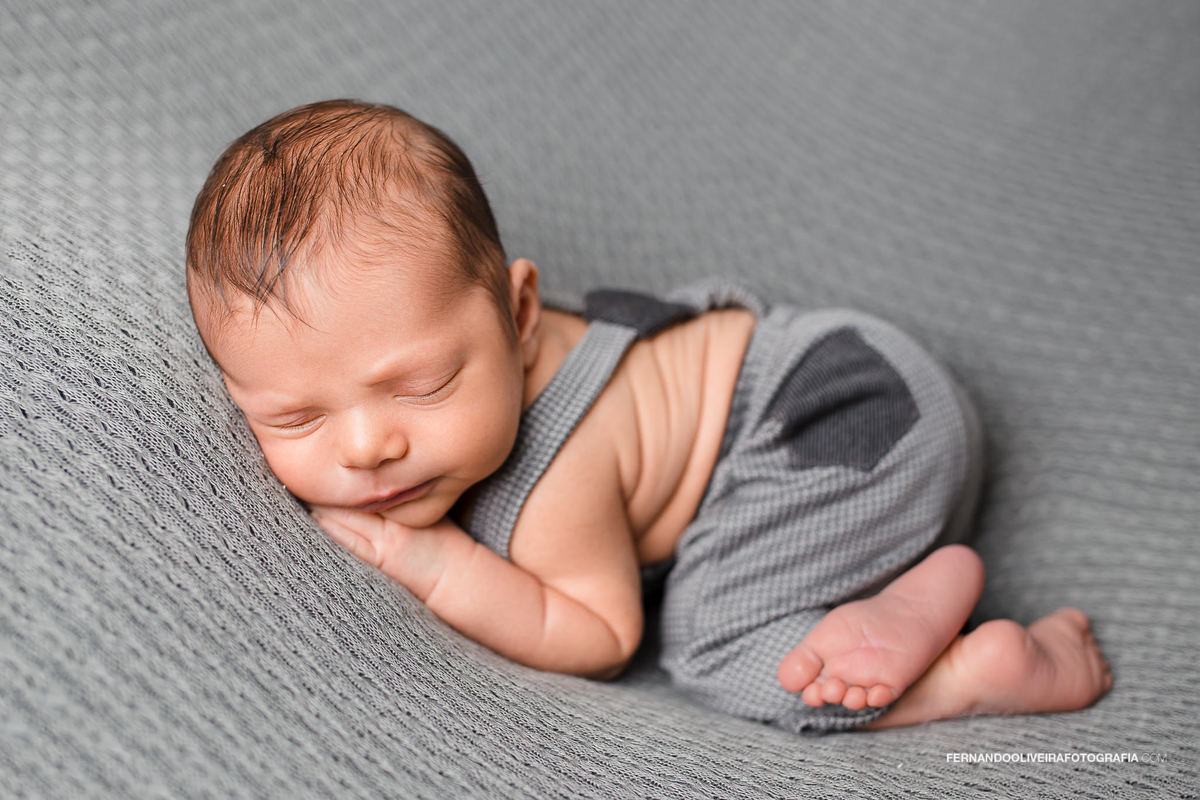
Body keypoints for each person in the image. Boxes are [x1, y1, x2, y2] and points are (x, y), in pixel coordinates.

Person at [185, 99, 1111, 732]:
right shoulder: (470, 367)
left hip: (839, 434)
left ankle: (969, 674)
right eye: (296, 419)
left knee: (710, 647)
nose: (368, 447)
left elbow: (598, 635)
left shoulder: (558, 474)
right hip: (875, 389)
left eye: (421, 386)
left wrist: (430, 559)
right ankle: (888, 595)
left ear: (517, 314)